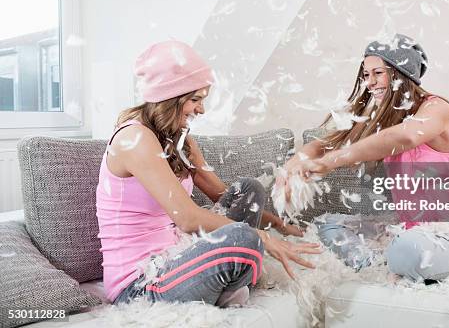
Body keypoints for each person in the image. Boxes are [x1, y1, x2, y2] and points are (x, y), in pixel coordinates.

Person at [96, 40, 320, 307]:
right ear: (169, 98)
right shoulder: (134, 138)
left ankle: (226, 280)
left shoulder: (180, 139)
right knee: (243, 237)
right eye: (195, 100)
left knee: (248, 191)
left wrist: (282, 227)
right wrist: (261, 237)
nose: (201, 109)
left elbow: (223, 195)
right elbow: (188, 219)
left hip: (177, 257)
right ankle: (232, 279)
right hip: (141, 285)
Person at [277, 34, 449, 283]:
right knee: (328, 225)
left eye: (378, 73)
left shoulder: (437, 108)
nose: (370, 82)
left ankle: (399, 259)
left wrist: (330, 162)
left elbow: (404, 138)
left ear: (400, 74)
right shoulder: (385, 119)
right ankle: (380, 264)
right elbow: (322, 144)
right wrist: (289, 168)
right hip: (414, 231)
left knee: (406, 249)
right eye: (366, 75)